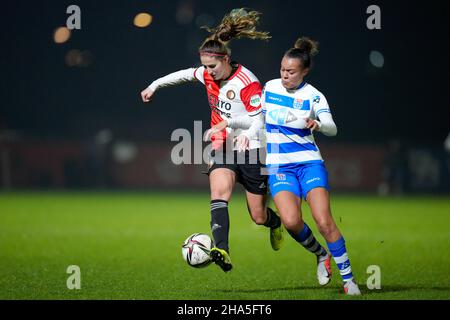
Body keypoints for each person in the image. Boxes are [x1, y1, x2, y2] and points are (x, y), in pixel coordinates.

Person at [140, 9, 283, 273]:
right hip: (223, 145)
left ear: (226, 59)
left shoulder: (247, 82)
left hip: (252, 149)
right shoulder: (206, 74)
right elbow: (183, 74)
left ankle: (275, 223)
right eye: (205, 66)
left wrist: (248, 137)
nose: (208, 72)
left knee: (259, 216)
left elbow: (259, 120)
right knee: (218, 194)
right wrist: (154, 85)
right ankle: (222, 250)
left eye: (213, 66)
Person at [219, 36, 362, 294]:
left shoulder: (313, 96)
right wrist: (243, 133)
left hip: (308, 164)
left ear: (304, 71)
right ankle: (320, 254)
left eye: (291, 71)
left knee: (323, 221)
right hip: (279, 167)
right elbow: (257, 120)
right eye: (283, 69)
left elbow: (332, 127)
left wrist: (318, 124)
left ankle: (349, 280)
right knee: (291, 221)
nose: (285, 75)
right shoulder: (270, 87)